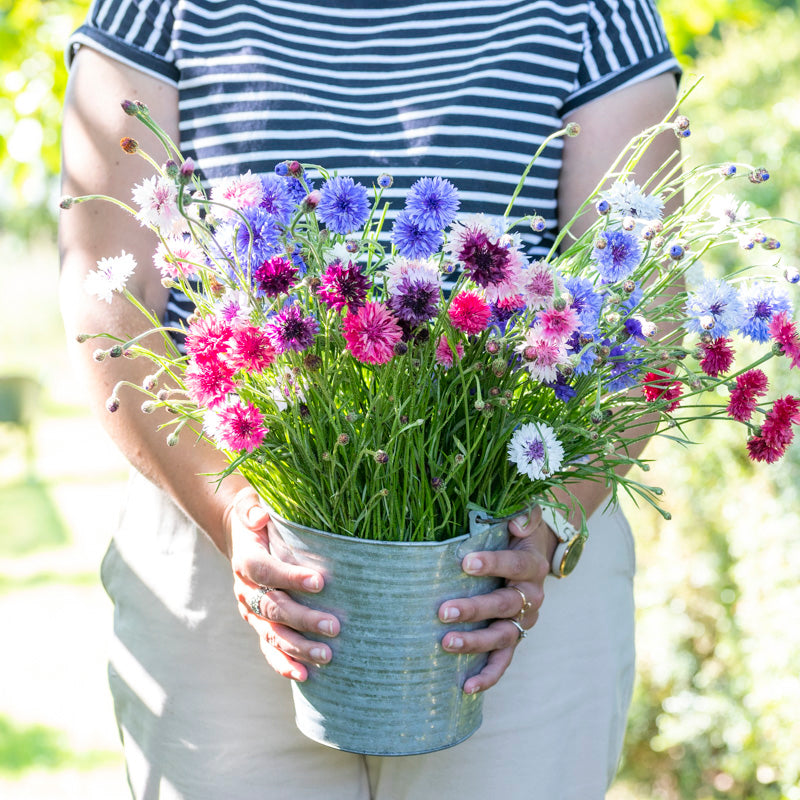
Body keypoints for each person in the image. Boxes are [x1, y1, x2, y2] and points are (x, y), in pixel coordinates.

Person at [59, 2, 680, 797]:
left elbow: (644, 321)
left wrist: (550, 525)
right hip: (223, 549)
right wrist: (234, 516)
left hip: (508, 583)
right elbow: (110, 295)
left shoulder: (597, 13)